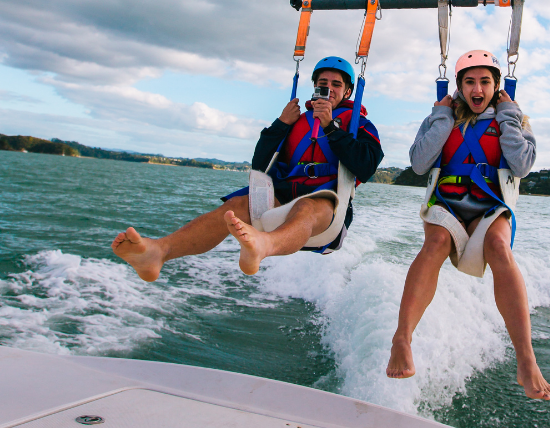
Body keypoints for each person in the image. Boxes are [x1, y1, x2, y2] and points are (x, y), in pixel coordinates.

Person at [112, 57, 382, 280]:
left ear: (347, 92)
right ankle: (158, 252)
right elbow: (260, 166)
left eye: (336, 85)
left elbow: (366, 167)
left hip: (327, 201)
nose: (329, 89)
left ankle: (262, 246)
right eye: (323, 83)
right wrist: (280, 125)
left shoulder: (358, 124)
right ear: (313, 87)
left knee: (306, 208)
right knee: (236, 207)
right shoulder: (295, 120)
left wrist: (331, 128)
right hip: (283, 192)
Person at [386, 50, 550, 401]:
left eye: (485, 81)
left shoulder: (514, 118)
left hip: (490, 207)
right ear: (460, 87)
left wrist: (509, 117)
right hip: (447, 204)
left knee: (498, 248)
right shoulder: (441, 116)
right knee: (433, 245)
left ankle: (526, 361)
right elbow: (419, 164)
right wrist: (443, 118)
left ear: (496, 86)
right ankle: (402, 338)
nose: (477, 88)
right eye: (469, 82)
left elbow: (522, 165)